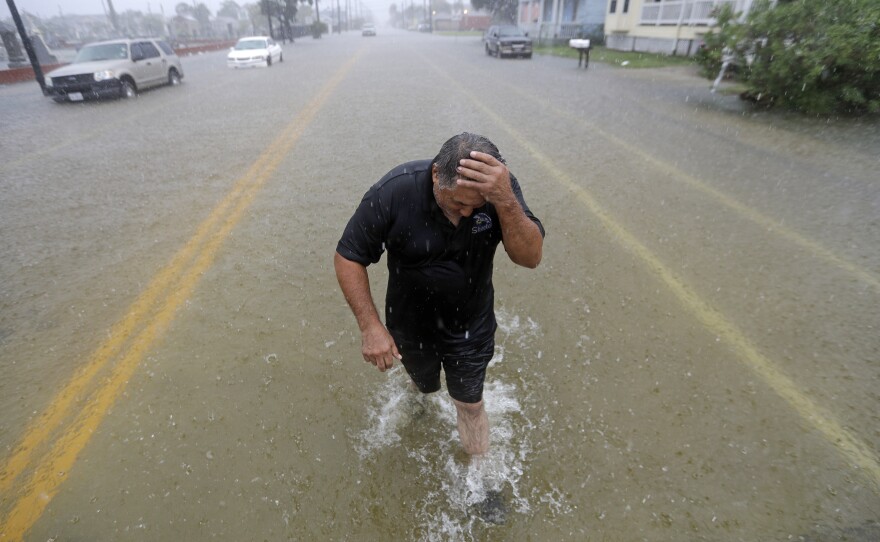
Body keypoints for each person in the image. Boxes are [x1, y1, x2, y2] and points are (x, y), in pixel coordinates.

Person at [334, 132, 544, 456]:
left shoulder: (499, 191)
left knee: (470, 405)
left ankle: (481, 482)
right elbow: (349, 256)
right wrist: (370, 327)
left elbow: (530, 258)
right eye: (458, 202)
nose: (467, 214)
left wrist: (504, 201)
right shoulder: (395, 191)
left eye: (476, 206)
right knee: (422, 385)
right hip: (409, 324)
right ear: (436, 175)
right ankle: (420, 395)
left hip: (470, 323)